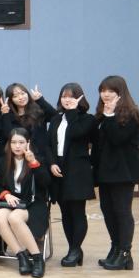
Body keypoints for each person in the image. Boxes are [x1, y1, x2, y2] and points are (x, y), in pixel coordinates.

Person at [93, 75, 139, 271]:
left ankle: (125, 252)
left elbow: (117, 139)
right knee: (108, 211)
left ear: (120, 93)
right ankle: (115, 248)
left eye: (110, 91)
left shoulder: (131, 115)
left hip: (123, 172)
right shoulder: (102, 114)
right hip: (105, 173)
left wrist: (110, 116)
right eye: (102, 90)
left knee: (122, 212)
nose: (105, 94)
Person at [47, 83, 95, 267]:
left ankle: (74, 250)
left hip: (77, 171)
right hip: (57, 168)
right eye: (64, 96)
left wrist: (73, 111)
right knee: (65, 212)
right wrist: (51, 163)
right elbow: (49, 144)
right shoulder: (56, 119)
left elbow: (77, 133)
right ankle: (74, 249)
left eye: (71, 97)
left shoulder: (87, 119)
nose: (67, 100)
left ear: (80, 98)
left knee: (77, 212)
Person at [0, 128, 50, 278]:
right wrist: (6, 195)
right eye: (13, 142)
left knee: (14, 218)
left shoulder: (37, 159)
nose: (17, 146)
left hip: (33, 203)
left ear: (28, 143)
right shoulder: (3, 161)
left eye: (21, 142)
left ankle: (37, 258)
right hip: (12, 201)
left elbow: (46, 183)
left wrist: (33, 162)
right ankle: (21, 256)